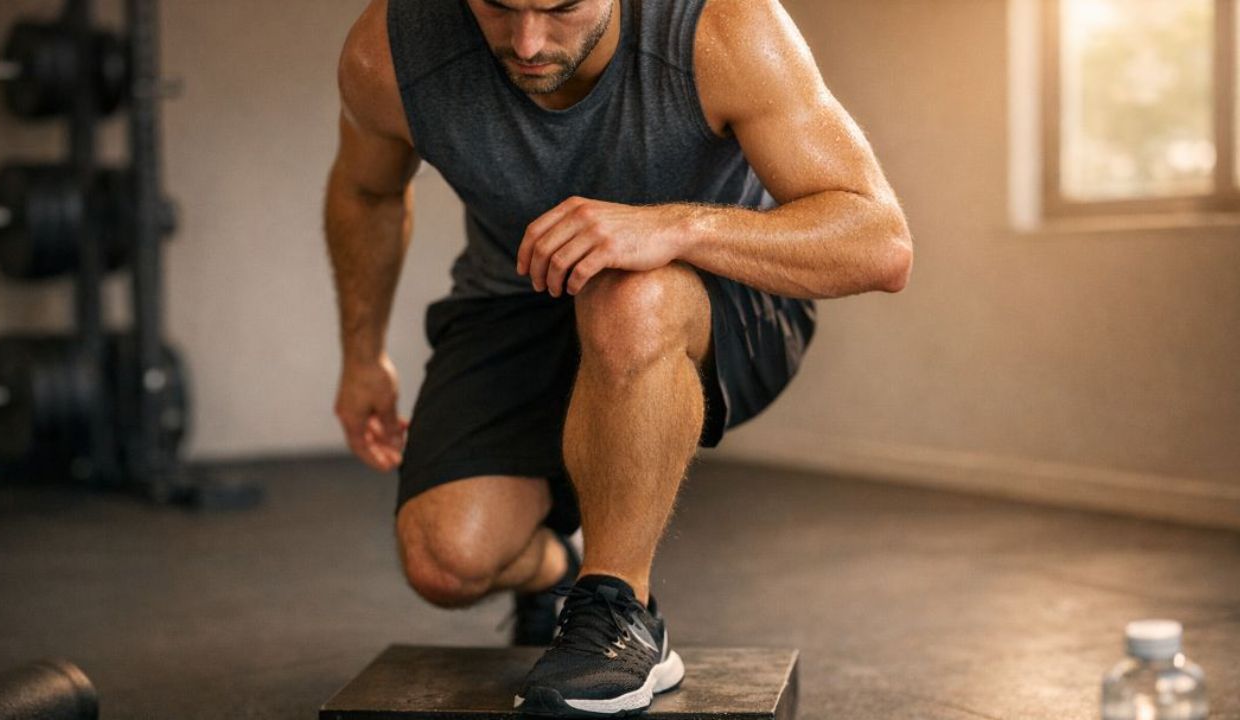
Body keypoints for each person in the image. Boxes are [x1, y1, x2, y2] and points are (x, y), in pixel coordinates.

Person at [323, 0, 912, 714]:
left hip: (719, 295)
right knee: (445, 560)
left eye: (561, 7)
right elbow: (366, 190)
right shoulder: (389, 51)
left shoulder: (724, 28)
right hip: (517, 298)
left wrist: (673, 227)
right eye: (499, 8)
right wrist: (362, 357)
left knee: (629, 298)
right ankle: (563, 568)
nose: (528, 42)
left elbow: (880, 241)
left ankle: (620, 612)